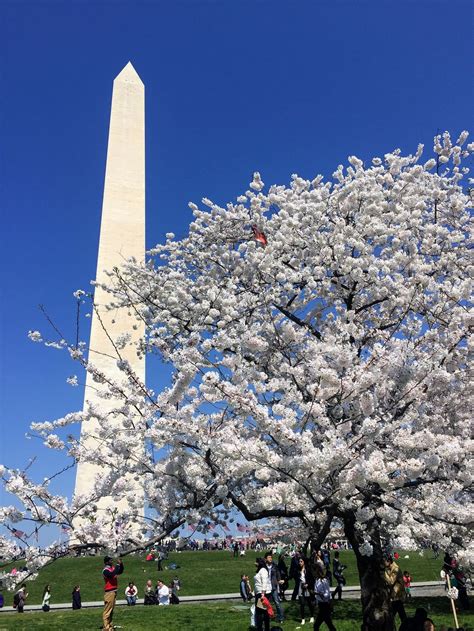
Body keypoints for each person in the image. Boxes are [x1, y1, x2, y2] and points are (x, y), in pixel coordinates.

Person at [102, 555, 124, 631]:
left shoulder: (112, 568)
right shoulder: (105, 570)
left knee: (111, 610)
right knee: (107, 611)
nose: (112, 561)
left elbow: (120, 571)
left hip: (114, 591)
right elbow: (111, 575)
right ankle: (106, 627)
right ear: (106, 562)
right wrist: (117, 565)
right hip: (109, 592)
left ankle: (110, 625)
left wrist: (121, 564)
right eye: (110, 560)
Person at [384, 555, 407, 624]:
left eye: (384, 561)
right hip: (395, 595)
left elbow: (391, 581)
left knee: (395, 612)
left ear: (389, 561)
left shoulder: (395, 569)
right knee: (400, 612)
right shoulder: (389, 567)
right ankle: (406, 625)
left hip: (398, 594)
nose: (383, 563)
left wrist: (383, 573)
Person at [313, 565, 337, 630]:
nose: (314, 573)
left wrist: (320, 594)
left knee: (317, 625)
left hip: (325, 605)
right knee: (328, 624)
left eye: (315, 572)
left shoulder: (324, 581)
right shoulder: (316, 581)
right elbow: (316, 591)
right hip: (321, 604)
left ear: (318, 572)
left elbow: (327, 593)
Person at [264, 551, 284, 623]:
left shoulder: (274, 566)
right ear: (265, 559)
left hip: (273, 586)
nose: (270, 559)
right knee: (266, 603)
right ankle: (267, 617)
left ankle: (281, 618)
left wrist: (279, 580)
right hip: (266, 587)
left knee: (277, 602)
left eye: (271, 557)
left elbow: (278, 573)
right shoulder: (263, 566)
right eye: (269, 557)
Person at [254, 557, 271, 631]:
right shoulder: (260, 570)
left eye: (256, 562)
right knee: (262, 612)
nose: (255, 563)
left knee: (260, 613)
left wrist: (263, 594)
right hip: (259, 593)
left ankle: (261, 628)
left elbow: (264, 582)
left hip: (262, 594)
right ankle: (262, 628)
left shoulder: (263, 570)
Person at [297, 556, 315, 625]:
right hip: (301, 586)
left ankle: (312, 616)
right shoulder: (298, 569)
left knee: (309, 602)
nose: (300, 563)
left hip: (307, 586)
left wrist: (308, 584)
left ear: (304, 562)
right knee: (302, 603)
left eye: (301, 561)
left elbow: (312, 579)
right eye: (299, 561)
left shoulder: (308, 569)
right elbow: (292, 575)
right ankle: (303, 619)